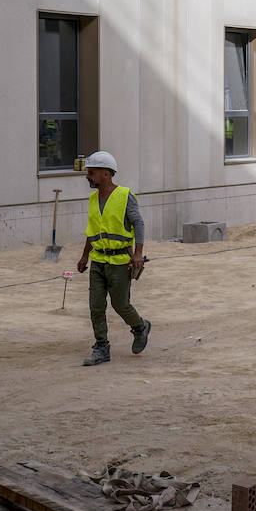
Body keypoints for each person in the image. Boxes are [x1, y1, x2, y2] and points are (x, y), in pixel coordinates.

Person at [75, 151, 149, 366]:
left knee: (120, 304)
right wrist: (84, 257)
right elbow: (92, 231)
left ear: (106, 174)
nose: (87, 176)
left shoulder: (125, 196)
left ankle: (140, 327)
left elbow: (139, 224)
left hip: (119, 262)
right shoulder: (92, 198)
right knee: (96, 305)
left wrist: (137, 254)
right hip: (98, 260)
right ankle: (101, 347)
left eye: (91, 172)